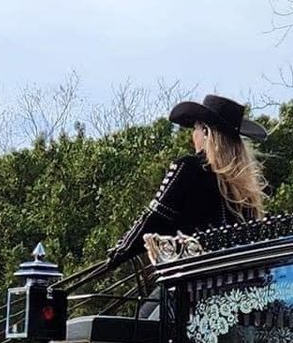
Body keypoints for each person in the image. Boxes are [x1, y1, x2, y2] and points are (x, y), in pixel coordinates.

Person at [109, 94, 269, 266]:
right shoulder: (247, 192)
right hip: (236, 279)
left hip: (195, 277)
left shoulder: (188, 168)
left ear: (206, 132)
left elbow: (154, 216)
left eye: (195, 129)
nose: (193, 136)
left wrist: (119, 252)